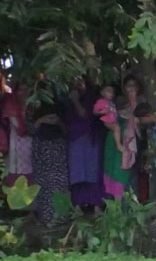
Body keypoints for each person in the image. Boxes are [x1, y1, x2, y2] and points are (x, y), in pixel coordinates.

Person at [65, 78, 105, 210]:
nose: (78, 84)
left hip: (90, 138)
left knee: (92, 173)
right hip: (74, 139)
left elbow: (84, 114)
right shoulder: (68, 97)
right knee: (77, 174)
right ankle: (77, 206)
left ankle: (96, 205)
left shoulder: (91, 97)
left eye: (80, 81)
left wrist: (75, 100)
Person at [30, 93, 68, 226]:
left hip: (58, 148)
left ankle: (60, 217)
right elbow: (28, 129)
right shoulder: (33, 107)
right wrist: (41, 120)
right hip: (41, 148)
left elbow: (67, 130)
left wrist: (58, 122)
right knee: (44, 184)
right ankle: (45, 218)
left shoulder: (61, 106)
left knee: (59, 183)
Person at [2, 81, 32, 188]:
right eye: (21, 89)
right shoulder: (11, 104)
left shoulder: (33, 105)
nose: (24, 92)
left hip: (33, 147)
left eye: (26, 89)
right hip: (17, 147)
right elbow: (19, 128)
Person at [93, 84, 123, 153]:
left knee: (118, 127)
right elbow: (95, 111)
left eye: (113, 92)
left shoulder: (112, 103)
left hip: (113, 120)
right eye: (109, 91)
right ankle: (119, 145)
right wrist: (102, 112)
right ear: (102, 93)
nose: (111, 93)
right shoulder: (101, 101)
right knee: (116, 127)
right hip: (107, 121)